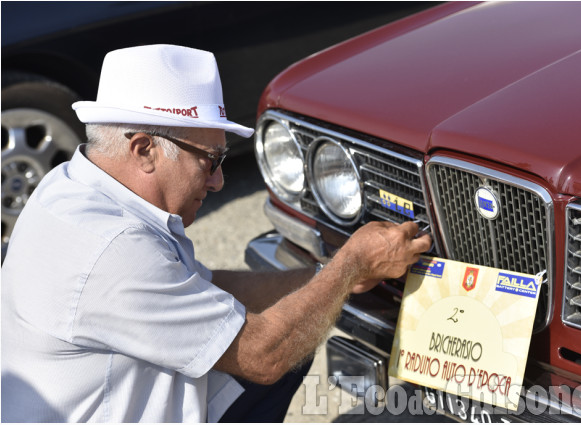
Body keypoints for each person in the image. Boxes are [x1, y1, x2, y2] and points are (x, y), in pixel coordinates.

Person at [1, 45, 432, 422]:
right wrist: (350, 264)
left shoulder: (71, 186)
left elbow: (201, 287)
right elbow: (262, 356)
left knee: (300, 317)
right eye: (211, 159)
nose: (219, 181)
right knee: (285, 343)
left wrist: (330, 275)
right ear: (144, 149)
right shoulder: (114, 251)